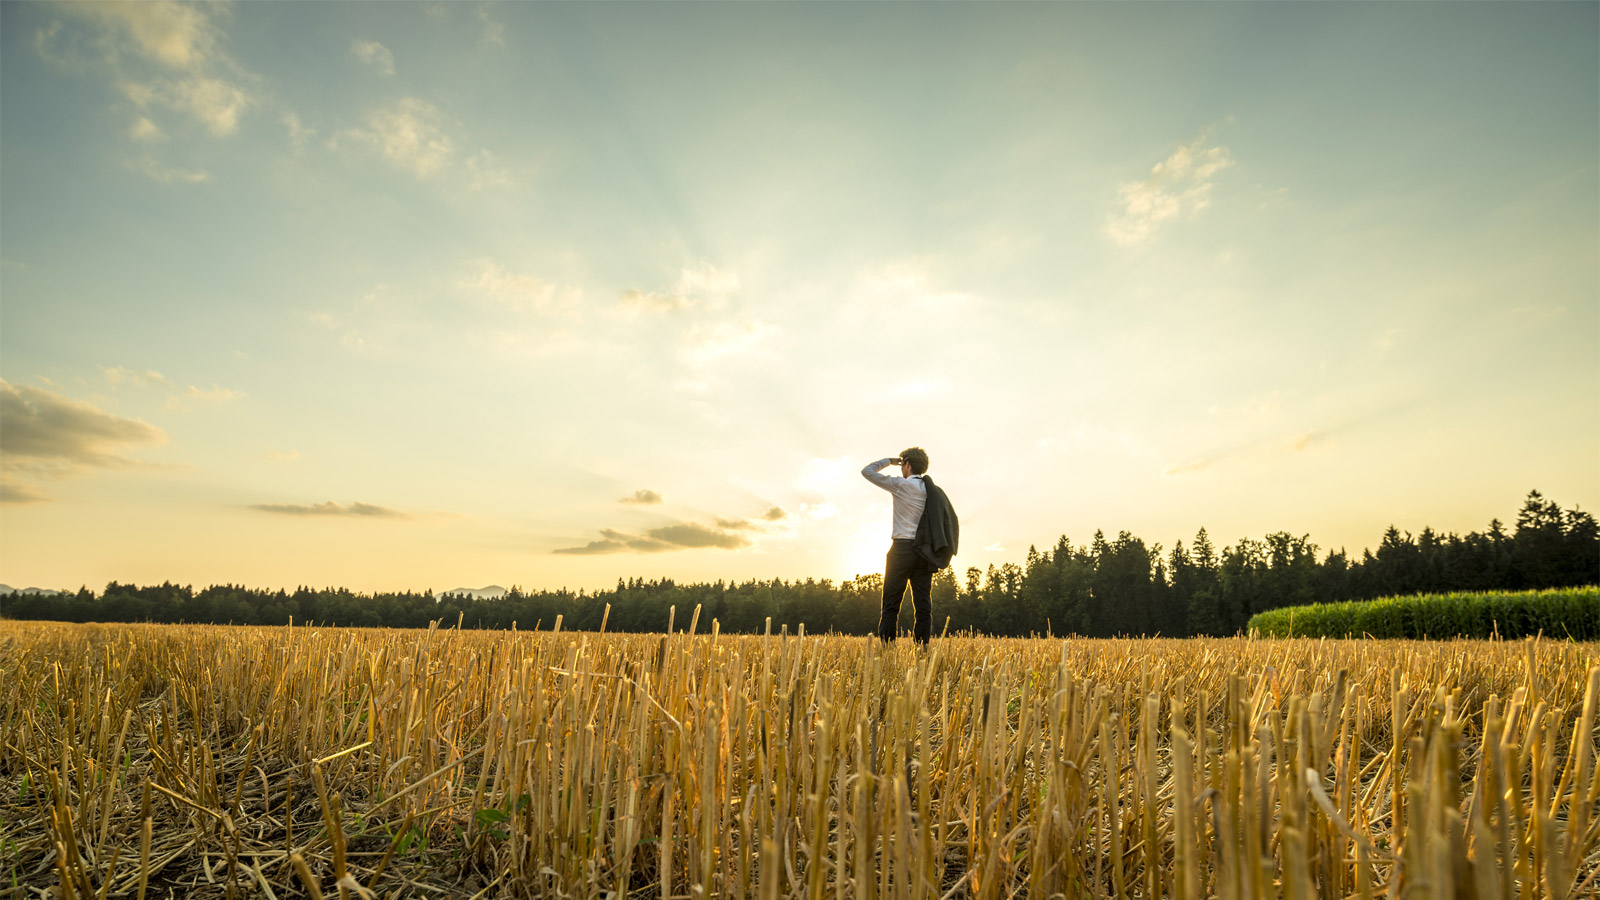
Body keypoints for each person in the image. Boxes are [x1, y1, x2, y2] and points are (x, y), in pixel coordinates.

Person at [862, 448, 957, 646]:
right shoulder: (931, 490)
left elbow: (868, 471)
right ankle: (921, 650)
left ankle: (888, 650)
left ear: (906, 465)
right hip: (924, 552)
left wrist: (889, 460)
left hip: (902, 549)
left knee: (891, 603)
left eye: (902, 465)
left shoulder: (901, 485)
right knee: (923, 604)